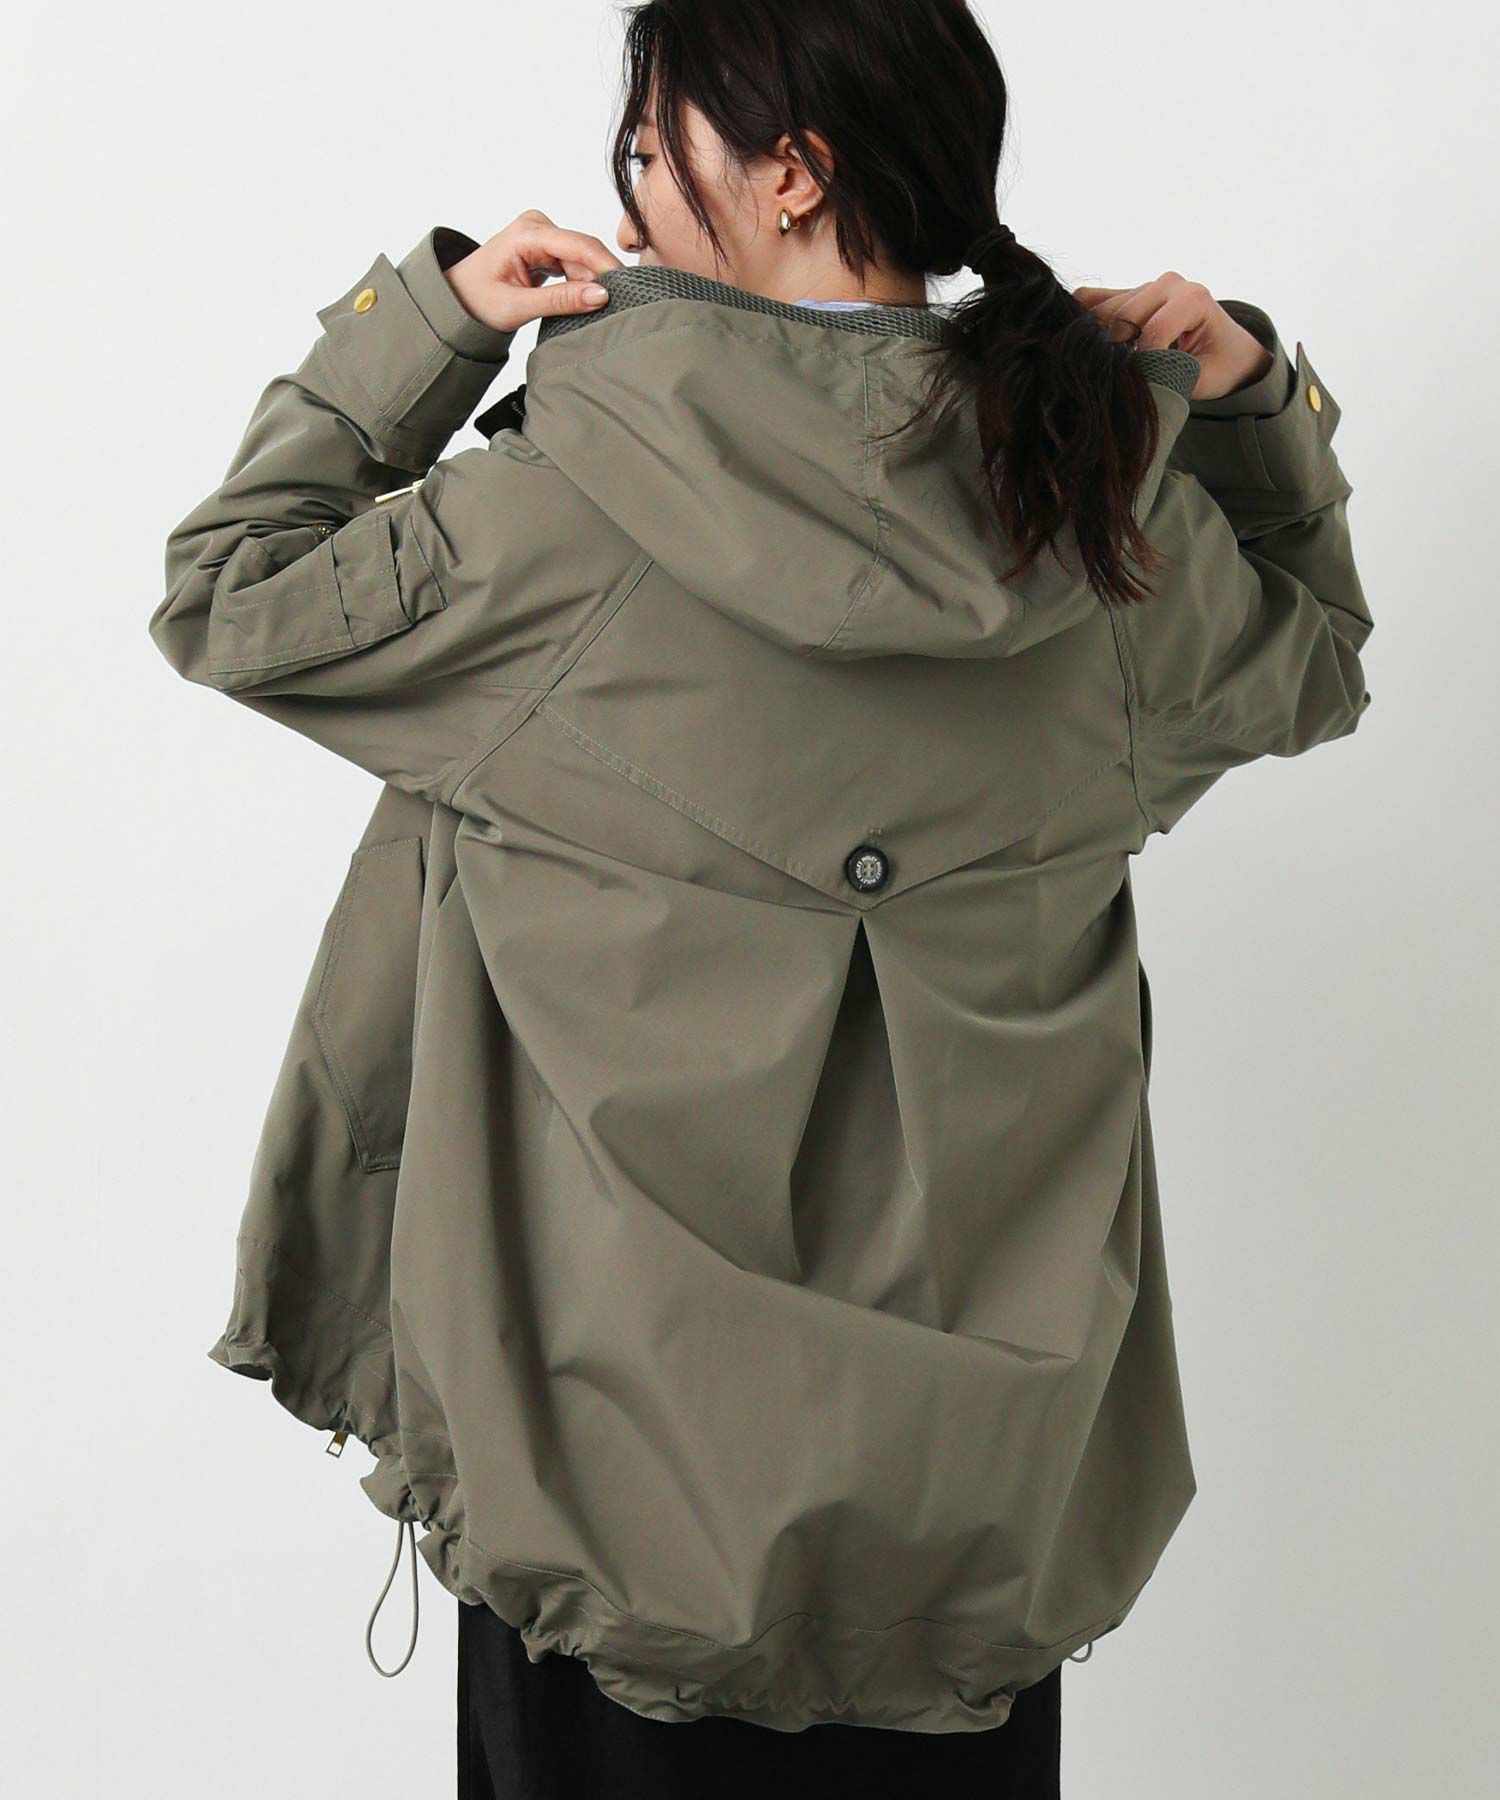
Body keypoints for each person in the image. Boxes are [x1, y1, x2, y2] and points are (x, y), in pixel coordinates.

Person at [149, 2, 1374, 1793]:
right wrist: (1254, 394)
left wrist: (432, 317)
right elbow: (1320, 653)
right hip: (969, 1554)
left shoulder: (550, 517)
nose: (627, 201)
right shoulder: (1113, 534)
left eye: (654, 150)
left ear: (793, 174)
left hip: (599, 1505)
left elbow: (227, 593)